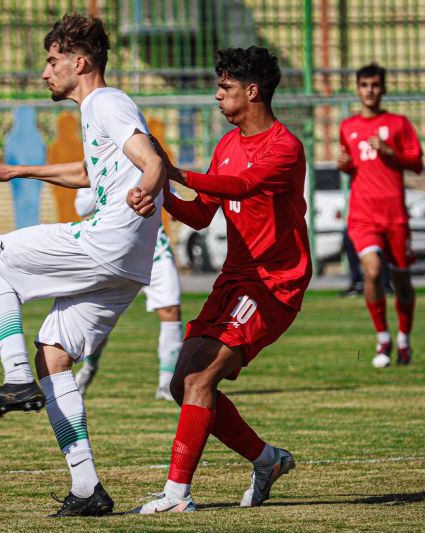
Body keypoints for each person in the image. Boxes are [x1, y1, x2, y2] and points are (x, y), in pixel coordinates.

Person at [0, 13, 166, 516]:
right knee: (53, 357)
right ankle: (87, 490)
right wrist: (19, 170)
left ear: (81, 63)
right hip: (129, 264)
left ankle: (14, 379)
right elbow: (91, 172)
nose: (45, 72)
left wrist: (148, 185)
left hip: (106, 241)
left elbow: (151, 158)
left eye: (53, 61)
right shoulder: (104, 108)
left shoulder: (104, 101)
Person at [127, 46, 312, 513]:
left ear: (252, 91)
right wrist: (160, 192)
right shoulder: (227, 145)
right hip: (235, 279)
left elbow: (243, 187)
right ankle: (267, 460)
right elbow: (200, 215)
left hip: (272, 284)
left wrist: (174, 172)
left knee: (201, 377)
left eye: (225, 87)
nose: (217, 95)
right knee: (182, 383)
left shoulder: (284, 147)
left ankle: (176, 495)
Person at [336, 63, 423, 368]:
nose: (369, 90)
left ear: (383, 88)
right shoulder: (348, 127)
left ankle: (404, 341)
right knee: (372, 272)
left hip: (395, 215)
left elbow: (417, 163)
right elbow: (352, 166)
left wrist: (390, 152)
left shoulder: (399, 124)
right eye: (364, 85)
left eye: (375, 85)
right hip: (363, 216)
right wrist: (344, 165)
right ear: (357, 89)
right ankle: (383, 337)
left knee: (402, 281)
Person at [73, 186, 182, 401]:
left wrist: (175, 206)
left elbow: (170, 192)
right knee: (100, 318)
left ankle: (167, 384)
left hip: (155, 250)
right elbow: (82, 207)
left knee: (171, 310)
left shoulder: (150, 166)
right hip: (115, 252)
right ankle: (89, 368)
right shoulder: (96, 167)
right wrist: (112, 186)